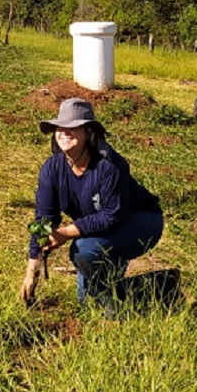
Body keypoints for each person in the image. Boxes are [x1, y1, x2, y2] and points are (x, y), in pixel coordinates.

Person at [21, 98, 163, 311]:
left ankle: (117, 310)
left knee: (84, 250)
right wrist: (33, 268)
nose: (64, 132)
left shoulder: (109, 165)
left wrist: (66, 233)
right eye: (61, 127)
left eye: (73, 127)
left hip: (141, 221)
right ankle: (159, 285)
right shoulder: (51, 170)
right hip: (98, 229)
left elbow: (110, 216)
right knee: (86, 303)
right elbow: (44, 220)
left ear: (88, 132)